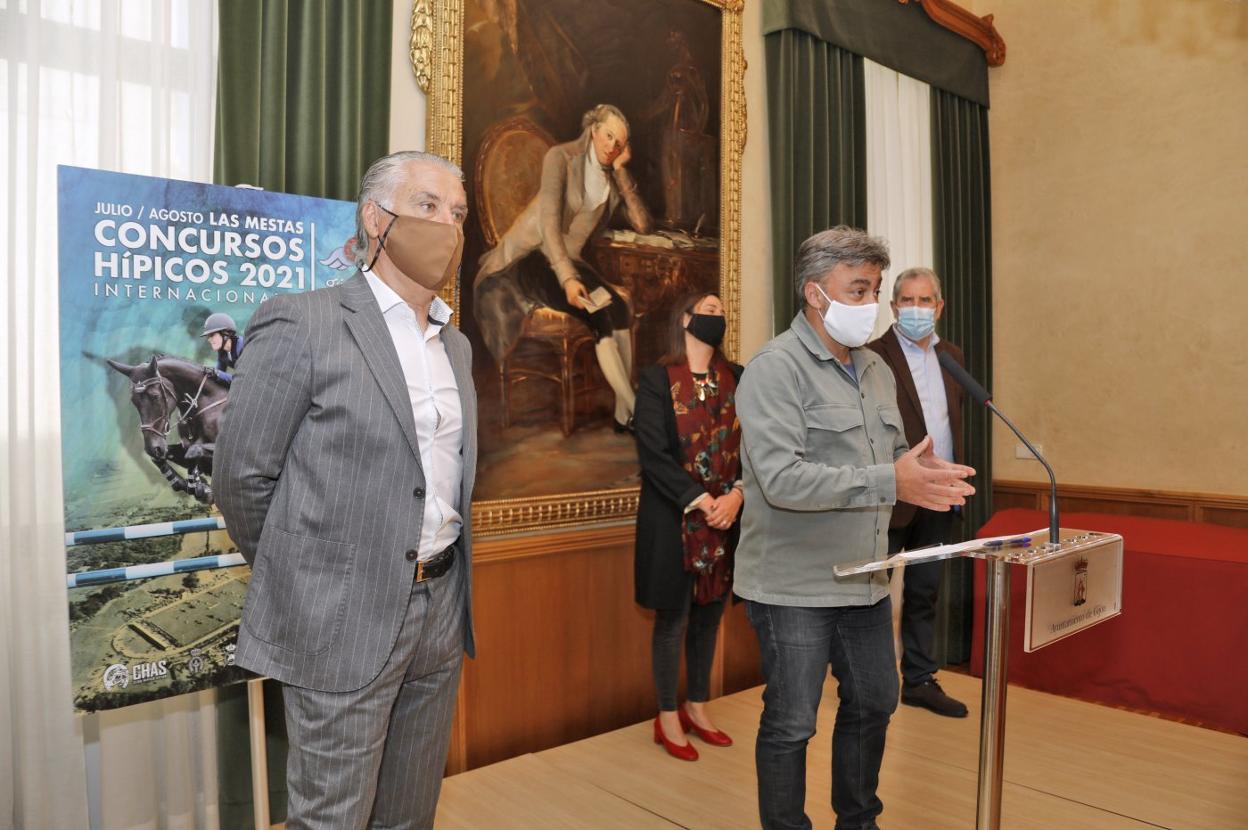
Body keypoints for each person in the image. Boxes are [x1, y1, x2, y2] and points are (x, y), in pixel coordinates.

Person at [215, 150, 477, 830]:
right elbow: (242, 479)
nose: (446, 226)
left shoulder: (458, 348)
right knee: (333, 818)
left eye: (458, 214)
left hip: (441, 609)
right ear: (375, 217)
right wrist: (311, 577)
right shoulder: (302, 322)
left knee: (408, 816)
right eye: (427, 206)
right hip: (341, 615)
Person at [734, 227, 976, 830]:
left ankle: (858, 821)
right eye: (859, 290)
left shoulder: (873, 368)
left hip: (865, 578)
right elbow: (783, 481)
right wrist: (890, 481)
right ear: (817, 294)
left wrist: (926, 471)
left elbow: (894, 455)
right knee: (792, 720)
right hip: (794, 586)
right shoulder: (774, 368)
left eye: (874, 290)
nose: (871, 305)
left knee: (875, 700)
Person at [474, 103, 652, 431]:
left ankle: (622, 416)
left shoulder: (611, 180)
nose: (612, 146)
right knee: (599, 314)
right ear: (593, 130)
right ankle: (637, 411)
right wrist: (569, 279)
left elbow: (642, 224)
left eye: (619, 142)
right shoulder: (560, 159)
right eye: (608, 135)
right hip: (530, 259)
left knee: (620, 312)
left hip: (567, 261)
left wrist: (624, 172)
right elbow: (549, 226)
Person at [633, 292, 743, 761]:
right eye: (707, 310)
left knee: (710, 618)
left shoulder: (738, 377)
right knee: (673, 621)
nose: (714, 318)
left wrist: (736, 497)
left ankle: (697, 707)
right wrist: (702, 501)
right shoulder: (658, 379)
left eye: (721, 312)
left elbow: (759, 444)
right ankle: (667, 717)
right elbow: (653, 454)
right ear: (685, 318)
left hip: (726, 521)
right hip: (674, 522)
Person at [868, 267, 970, 718]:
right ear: (893, 307)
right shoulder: (871, 357)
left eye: (924, 301)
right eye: (906, 301)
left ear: (939, 307)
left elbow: (951, 421)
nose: (915, 309)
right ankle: (866, 679)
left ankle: (919, 679)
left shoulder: (953, 356)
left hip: (940, 493)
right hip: (892, 494)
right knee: (872, 593)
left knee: (925, 591)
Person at [201, 312, 243, 384]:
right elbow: (219, 372)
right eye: (208, 336)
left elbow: (243, 379)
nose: (209, 339)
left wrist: (216, 373)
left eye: (212, 335)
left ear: (226, 334)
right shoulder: (222, 352)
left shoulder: (243, 347)